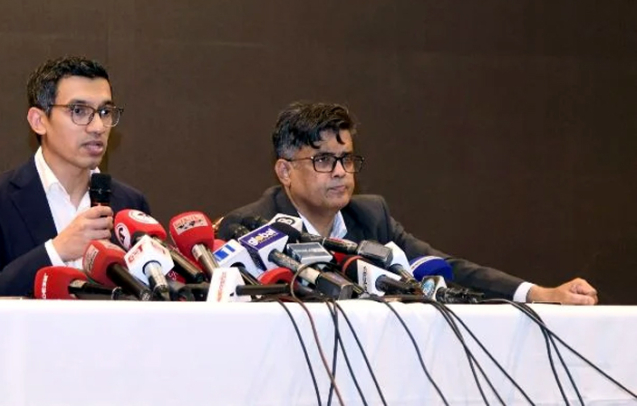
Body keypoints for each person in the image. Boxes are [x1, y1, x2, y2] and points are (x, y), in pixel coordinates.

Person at [217, 101, 598, 304]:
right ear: (285, 171)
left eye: (347, 159)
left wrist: (539, 293)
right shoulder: (249, 227)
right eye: (323, 160)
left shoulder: (371, 216)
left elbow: (448, 268)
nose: (340, 172)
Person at [0, 56, 150, 297]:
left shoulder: (130, 205)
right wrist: (55, 251)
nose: (98, 127)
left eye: (105, 112)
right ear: (39, 121)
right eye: (79, 111)